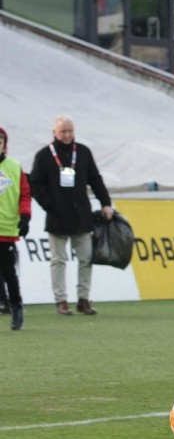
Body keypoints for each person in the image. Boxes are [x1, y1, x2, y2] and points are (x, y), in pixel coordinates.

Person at [29, 115, 114, 315]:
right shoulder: (44, 155)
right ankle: (61, 300)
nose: (67, 135)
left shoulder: (83, 152)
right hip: (57, 216)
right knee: (58, 260)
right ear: (54, 133)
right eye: (63, 131)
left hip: (81, 215)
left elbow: (95, 179)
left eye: (70, 131)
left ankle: (83, 298)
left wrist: (106, 203)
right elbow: (35, 184)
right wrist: (49, 205)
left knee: (86, 258)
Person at [0, 126, 31, 330]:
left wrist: (25, 216)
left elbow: (25, 195)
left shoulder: (14, 166)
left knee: (9, 272)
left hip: (6, 230)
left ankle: (16, 307)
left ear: (4, 145)